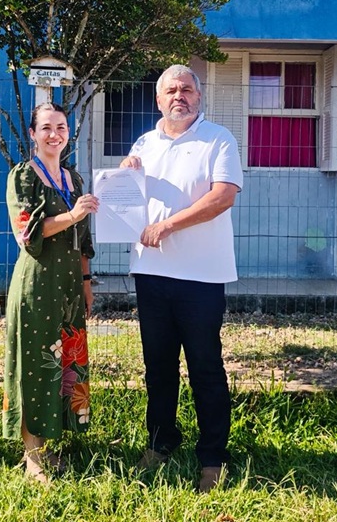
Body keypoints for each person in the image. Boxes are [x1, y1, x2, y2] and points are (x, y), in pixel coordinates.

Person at [119, 64, 243, 493]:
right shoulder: (144, 142)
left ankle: (213, 458)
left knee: (206, 367)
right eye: (170, 90)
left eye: (186, 89)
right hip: (150, 273)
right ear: (158, 100)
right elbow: (127, 197)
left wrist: (169, 225)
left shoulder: (218, 139)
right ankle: (161, 442)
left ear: (199, 95)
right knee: (158, 368)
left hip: (201, 277)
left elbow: (222, 195)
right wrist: (124, 174)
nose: (179, 96)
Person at [2, 102, 99, 484]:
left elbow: (84, 240)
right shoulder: (23, 176)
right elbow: (27, 234)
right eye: (45, 127)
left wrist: (87, 283)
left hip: (70, 287)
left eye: (60, 126)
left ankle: (51, 445)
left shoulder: (74, 179)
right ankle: (33, 457)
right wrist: (74, 215)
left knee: (62, 368)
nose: (54, 134)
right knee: (34, 365)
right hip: (36, 285)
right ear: (32, 134)